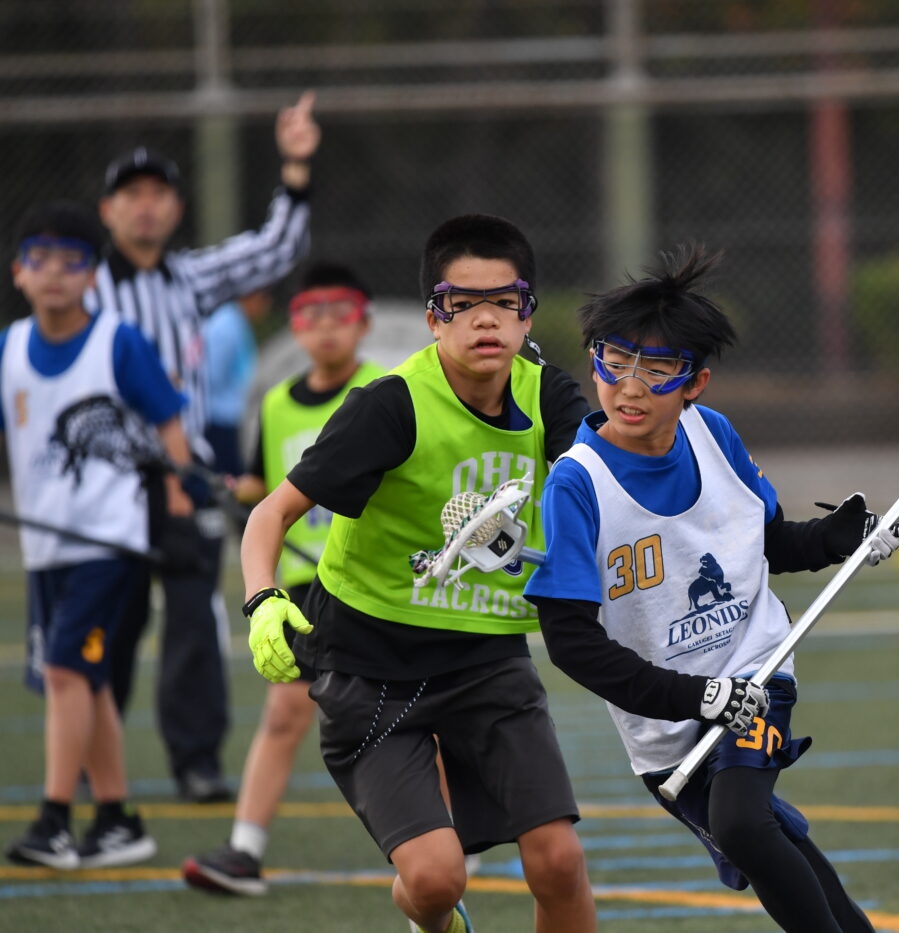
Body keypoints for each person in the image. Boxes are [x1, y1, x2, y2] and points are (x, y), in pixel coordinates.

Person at [523, 246, 899, 933]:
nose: (630, 386)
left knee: (742, 822)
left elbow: (768, 543)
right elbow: (572, 644)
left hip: (754, 671)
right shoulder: (577, 484)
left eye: (657, 368)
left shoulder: (713, 434)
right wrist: (697, 697)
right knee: (766, 839)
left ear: (695, 382)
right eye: (614, 360)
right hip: (663, 724)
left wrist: (838, 538)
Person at [239, 215, 596, 932]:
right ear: (434, 318)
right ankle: (428, 914)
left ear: (528, 313)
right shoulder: (389, 405)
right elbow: (270, 513)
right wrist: (263, 600)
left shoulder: (550, 397)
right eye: (463, 304)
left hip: (486, 655)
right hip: (371, 666)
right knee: (435, 880)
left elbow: (596, 489)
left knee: (558, 860)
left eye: (504, 301)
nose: (486, 320)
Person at [93, 90, 321, 803]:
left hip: (183, 477)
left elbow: (276, 248)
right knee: (108, 625)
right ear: (107, 211)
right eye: (131, 196)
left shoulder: (188, 278)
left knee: (194, 620)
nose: (146, 208)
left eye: (158, 194)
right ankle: (94, 763)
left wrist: (295, 167)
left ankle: (195, 762)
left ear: (176, 208)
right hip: (104, 484)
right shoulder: (85, 292)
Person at [182, 262, 386, 895]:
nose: (325, 327)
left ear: (364, 322)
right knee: (282, 716)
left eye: (339, 312)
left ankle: (456, 842)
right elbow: (263, 485)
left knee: (413, 720)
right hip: (304, 591)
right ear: (293, 326)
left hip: (378, 583)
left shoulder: (390, 391)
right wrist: (220, 488)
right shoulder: (276, 403)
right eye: (309, 314)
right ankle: (244, 851)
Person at [2, 201, 194, 869]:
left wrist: (179, 501)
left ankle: (54, 820)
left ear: (91, 276)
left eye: (72, 261)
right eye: (39, 259)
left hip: (109, 542)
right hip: (45, 546)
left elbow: (169, 424)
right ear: (18, 272)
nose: (54, 272)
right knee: (87, 681)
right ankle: (117, 819)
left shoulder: (117, 341)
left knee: (63, 671)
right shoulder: (10, 347)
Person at [202, 288, 272, 476]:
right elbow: (212, 376)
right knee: (229, 479)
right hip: (219, 419)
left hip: (233, 417)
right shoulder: (226, 325)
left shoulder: (237, 321)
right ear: (254, 297)